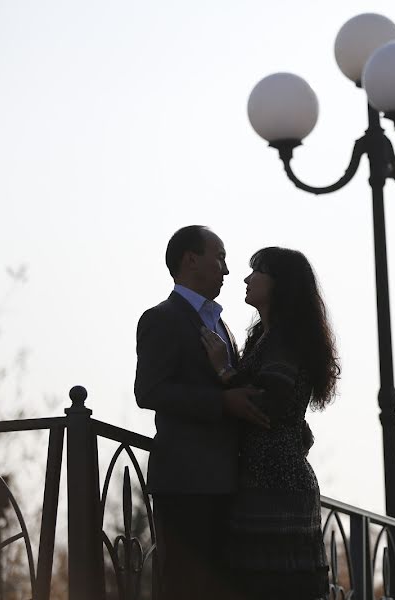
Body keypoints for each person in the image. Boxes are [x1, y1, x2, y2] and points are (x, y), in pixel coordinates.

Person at [134, 225, 270, 600]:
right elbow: (149, 391)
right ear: (190, 259)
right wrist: (221, 403)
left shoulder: (222, 324)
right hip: (185, 484)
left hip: (226, 484)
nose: (226, 270)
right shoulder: (161, 318)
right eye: (220, 257)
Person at [200, 246, 339, 600]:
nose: (246, 279)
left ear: (280, 283)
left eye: (257, 271)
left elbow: (269, 404)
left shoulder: (285, 338)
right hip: (268, 479)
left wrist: (223, 368)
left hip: (277, 486)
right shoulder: (267, 335)